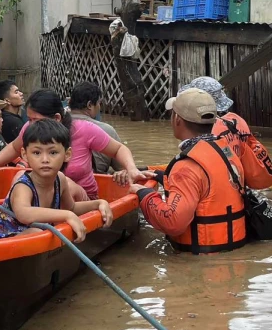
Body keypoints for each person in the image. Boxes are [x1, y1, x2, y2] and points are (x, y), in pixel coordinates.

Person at [0, 89, 153, 201]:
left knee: (64, 181)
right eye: (29, 119)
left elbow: (119, 148)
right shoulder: (32, 128)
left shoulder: (83, 129)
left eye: (35, 119)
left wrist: (131, 168)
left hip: (80, 200)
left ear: (57, 118)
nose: (31, 125)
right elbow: (14, 148)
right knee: (19, 176)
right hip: (46, 198)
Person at [130, 88, 247, 254]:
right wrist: (160, 176)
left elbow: (172, 221)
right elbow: (208, 187)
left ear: (177, 119)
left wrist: (144, 193)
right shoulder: (227, 151)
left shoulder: (186, 167)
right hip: (232, 251)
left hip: (199, 263)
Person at [0, 119, 113, 240]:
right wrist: (67, 215)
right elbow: (23, 213)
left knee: (44, 230)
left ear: (67, 155)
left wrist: (98, 203)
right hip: (5, 240)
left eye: (53, 153)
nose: (45, 159)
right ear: (24, 154)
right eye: (37, 153)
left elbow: (71, 208)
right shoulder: (23, 186)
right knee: (36, 232)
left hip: (38, 236)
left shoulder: (60, 179)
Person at [179, 76, 272, 189]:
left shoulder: (204, 130)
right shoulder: (237, 121)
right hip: (238, 188)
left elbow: (191, 169)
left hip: (217, 192)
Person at [68, 81, 123, 173]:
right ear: (90, 105)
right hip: (96, 181)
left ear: (69, 102)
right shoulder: (105, 129)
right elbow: (121, 167)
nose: (99, 107)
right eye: (98, 103)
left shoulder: (56, 126)